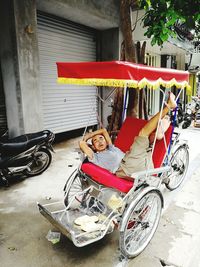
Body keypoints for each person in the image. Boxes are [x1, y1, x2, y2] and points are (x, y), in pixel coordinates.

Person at [79, 93, 177, 180]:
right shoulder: (96, 157)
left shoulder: (111, 148)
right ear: (93, 147)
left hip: (136, 160)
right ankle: (168, 107)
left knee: (147, 139)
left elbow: (104, 131)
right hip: (127, 169)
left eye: (101, 138)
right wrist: (89, 136)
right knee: (142, 133)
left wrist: (93, 135)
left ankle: (157, 134)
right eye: (95, 141)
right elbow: (81, 143)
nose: (99, 141)